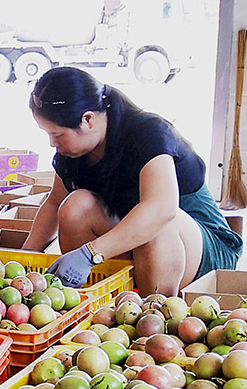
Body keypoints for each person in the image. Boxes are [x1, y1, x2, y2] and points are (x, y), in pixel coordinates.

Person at [23, 67, 242, 295]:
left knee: (156, 222)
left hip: (200, 250)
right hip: (136, 247)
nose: (51, 143)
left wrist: (89, 254)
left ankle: (156, 312)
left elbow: (162, 210)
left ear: (88, 119)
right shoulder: (73, 154)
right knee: (74, 206)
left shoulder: (147, 133)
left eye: (57, 134)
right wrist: (22, 260)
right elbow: (54, 203)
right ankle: (100, 302)